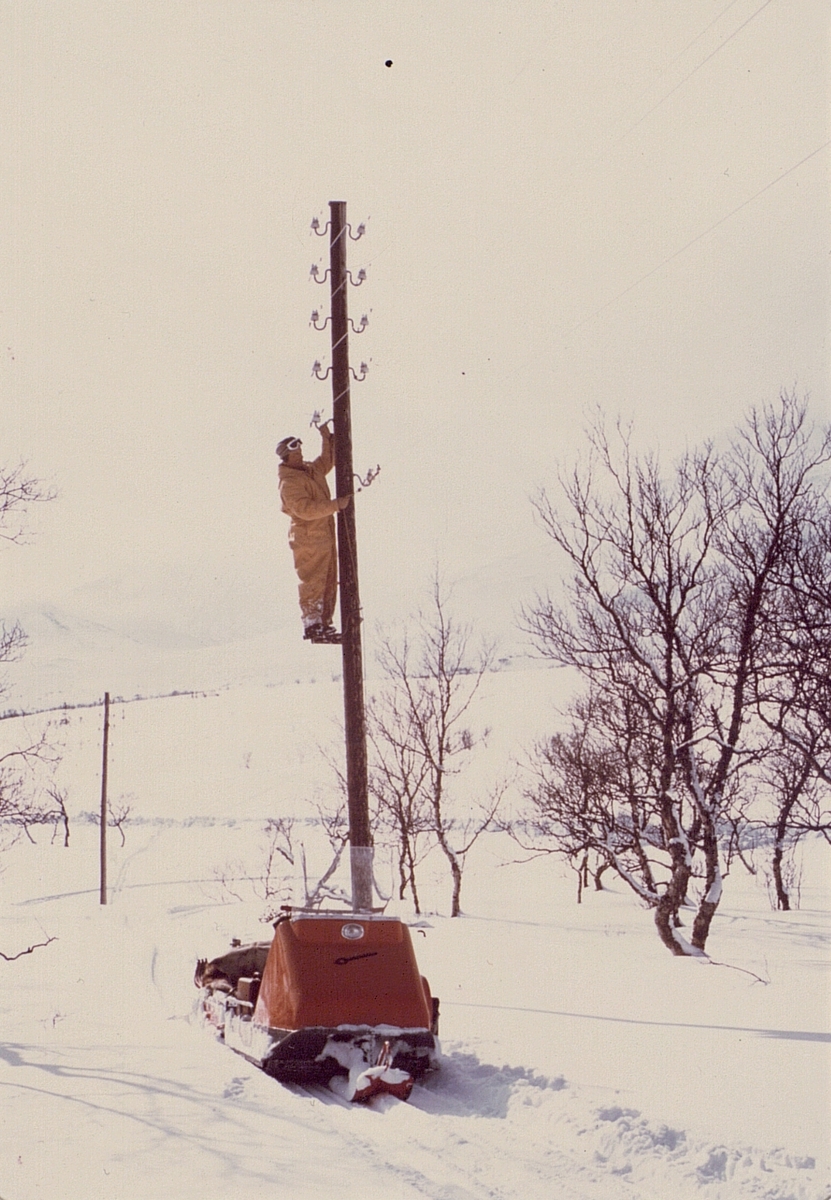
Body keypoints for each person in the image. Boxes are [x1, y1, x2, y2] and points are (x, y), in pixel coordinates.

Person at [276, 422, 351, 644]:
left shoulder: (308, 471)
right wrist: (336, 505)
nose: (300, 455)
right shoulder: (289, 483)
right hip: (308, 538)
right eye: (295, 453)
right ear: (286, 458)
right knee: (313, 580)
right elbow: (305, 510)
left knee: (327, 579)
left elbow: (326, 461)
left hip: (322, 535)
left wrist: (326, 437)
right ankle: (312, 624)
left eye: (300, 451)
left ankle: (323, 623)